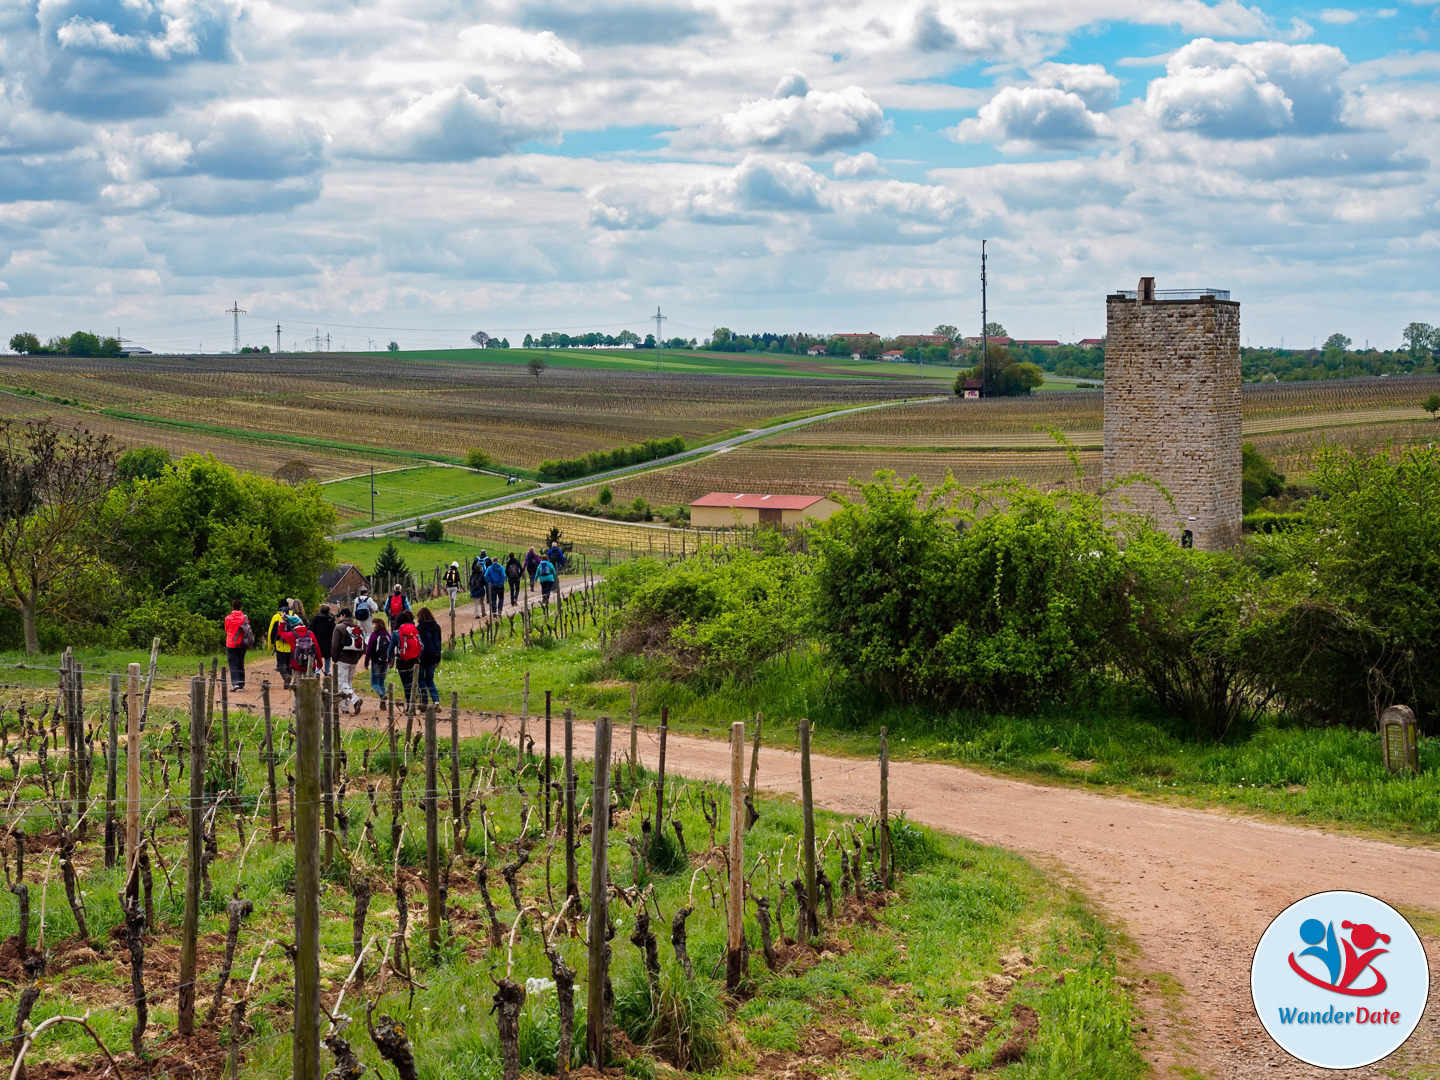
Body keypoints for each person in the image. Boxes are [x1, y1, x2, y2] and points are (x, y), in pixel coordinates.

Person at [331, 607, 366, 714]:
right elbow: (363, 646)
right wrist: (357, 658)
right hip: (354, 659)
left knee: (341, 683)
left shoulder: (339, 627)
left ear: (343, 615)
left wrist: (335, 659)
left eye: (340, 615)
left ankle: (355, 701)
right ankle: (345, 707)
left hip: (342, 659)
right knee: (348, 683)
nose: (339, 618)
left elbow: (335, 646)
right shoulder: (358, 628)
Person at [277, 608, 320, 678]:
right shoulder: (310, 633)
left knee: (298, 685)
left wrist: (283, 621)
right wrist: (319, 664)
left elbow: (280, 632)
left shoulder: (291, 635)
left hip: (296, 664)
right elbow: (317, 649)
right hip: (310, 663)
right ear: (301, 623)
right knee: (310, 686)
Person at [391, 611, 421, 709]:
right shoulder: (414, 629)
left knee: (406, 684)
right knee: (413, 681)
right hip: (414, 659)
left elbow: (391, 647)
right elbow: (421, 644)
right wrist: (418, 656)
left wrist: (389, 660)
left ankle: (409, 705)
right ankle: (417, 699)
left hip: (401, 660)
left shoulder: (396, 632)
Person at [223, 601, 254, 692]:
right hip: (242, 643)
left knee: (233, 664)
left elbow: (226, 629)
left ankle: (235, 683)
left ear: (232, 607)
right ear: (241, 607)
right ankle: (241, 685)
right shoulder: (245, 618)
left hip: (231, 643)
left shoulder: (228, 618)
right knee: (241, 663)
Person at [416, 606, 443, 705]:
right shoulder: (437, 626)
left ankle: (424, 702)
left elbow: (418, 643)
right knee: (430, 680)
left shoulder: (420, 627)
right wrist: (438, 658)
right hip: (434, 656)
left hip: (423, 657)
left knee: (421, 680)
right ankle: (436, 700)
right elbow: (439, 643)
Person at [364, 615, 390, 703]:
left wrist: (366, 662)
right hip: (385, 661)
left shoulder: (374, 635)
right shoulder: (387, 635)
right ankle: (383, 701)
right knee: (381, 681)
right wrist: (390, 660)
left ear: (377, 624)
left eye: (373, 624)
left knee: (374, 683)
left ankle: (382, 695)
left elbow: (369, 650)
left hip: (376, 661)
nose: (372, 626)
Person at [268, 600, 293, 689]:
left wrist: (270, 645)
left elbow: (271, 632)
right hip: (291, 644)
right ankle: (288, 682)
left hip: (279, 644)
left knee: (280, 664)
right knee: (289, 663)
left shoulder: (276, 617)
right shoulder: (294, 615)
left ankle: (286, 677)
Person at [310, 603, 336, 676]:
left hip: (317, 641)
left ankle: (317, 671)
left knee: (316, 657)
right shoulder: (330, 620)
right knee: (327, 658)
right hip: (328, 642)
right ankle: (327, 672)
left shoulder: (316, 619)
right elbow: (333, 631)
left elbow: (311, 629)